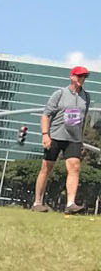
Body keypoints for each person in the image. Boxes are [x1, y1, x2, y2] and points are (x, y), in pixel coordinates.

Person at [33, 64, 90, 213]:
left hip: (74, 139)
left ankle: (71, 204)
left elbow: (83, 120)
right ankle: (37, 202)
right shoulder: (59, 93)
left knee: (74, 167)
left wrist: (81, 140)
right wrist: (45, 135)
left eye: (84, 76)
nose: (81, 79)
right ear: (72, 77)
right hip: (56, 136)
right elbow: (46, 114)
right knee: (47, 167)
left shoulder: (86, 97)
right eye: (79, 76)